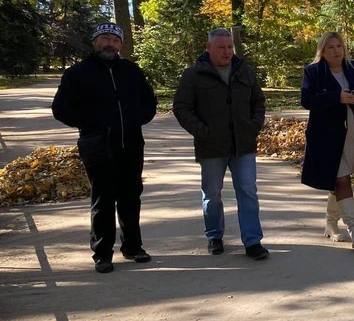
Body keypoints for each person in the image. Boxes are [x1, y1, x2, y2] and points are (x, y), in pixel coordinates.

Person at [52, 22, 157, 273]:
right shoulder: (78, 73)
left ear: (121, 45)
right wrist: (89, 124)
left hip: (131, 142)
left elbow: (149, 101)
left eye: (115, 40)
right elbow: (61, 109)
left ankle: (133, 247)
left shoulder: (131, 71)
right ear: (95, 42)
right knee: (103, 198)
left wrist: (136, 119)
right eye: (105, 39)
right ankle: (102, 253)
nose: (110, 44)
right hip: (97, 145)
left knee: (131, 196)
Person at [173, 28, 269, 260]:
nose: (227, 52)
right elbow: (182, 108)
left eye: (229, 47)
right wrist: (202, 132)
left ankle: (253, 242)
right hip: (211, 146)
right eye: (221, 47)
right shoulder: (194, 75)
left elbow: (258, 102)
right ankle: (214, 236)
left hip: (243, 144)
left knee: (247, 191)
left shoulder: (244, 71)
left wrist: (253, 126)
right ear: (208, 48)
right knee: (212, 194)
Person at [300, 32, 354, 248]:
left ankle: (331, 223)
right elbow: (307, 100)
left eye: (339, 46)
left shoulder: (353, 68)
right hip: (326, 136)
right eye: (331, 47)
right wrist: (337, 98)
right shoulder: (313, 71)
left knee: (338, 178)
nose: (336, 51)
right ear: (322, 50)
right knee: (342, 179)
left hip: (352, 132)